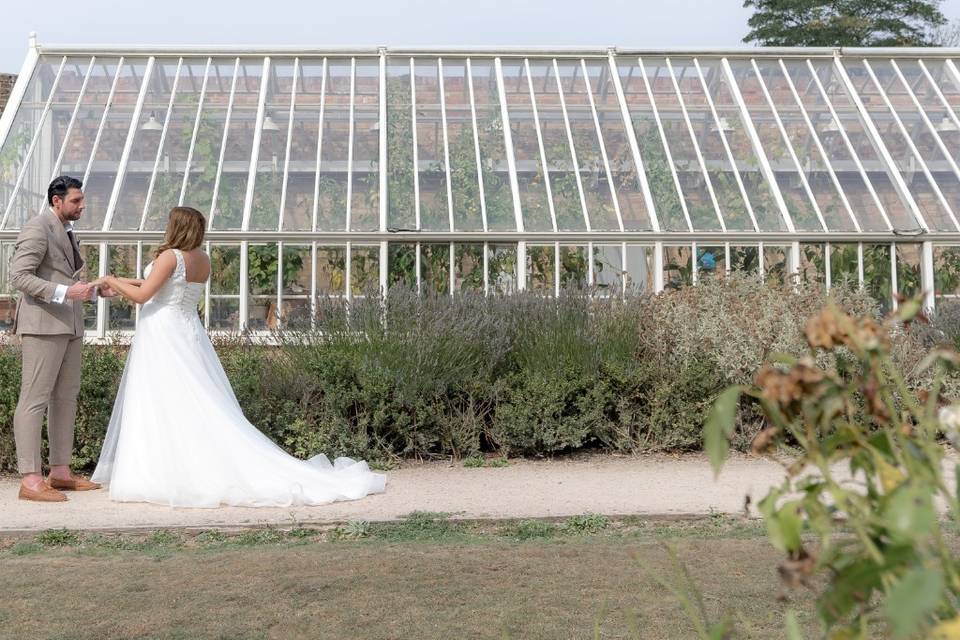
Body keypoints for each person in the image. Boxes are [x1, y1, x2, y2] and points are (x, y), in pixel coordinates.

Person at [90, 206, 385, 507]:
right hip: (185, 331)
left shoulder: (170, 257)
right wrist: (120, 284)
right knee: (187, 398)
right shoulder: (201, 259)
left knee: (162, 399)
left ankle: (161, 471)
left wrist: (110, 279)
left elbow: (144, 297)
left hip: (163, 333)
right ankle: (174, 468)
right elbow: (159, 287)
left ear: (175, 227)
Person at [9, 175, 112, 502]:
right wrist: (65, 291)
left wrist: (93, 291)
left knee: (65, 398)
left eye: (81, 200)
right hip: (41, 326)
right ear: (57, 201)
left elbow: (66, 279)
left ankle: (61, 472)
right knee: (34, 399)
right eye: (76, 201)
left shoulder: (67, 231)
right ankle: (30, 479)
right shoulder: (38, 227)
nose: (82, 206)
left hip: (69, 326)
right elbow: (19, 276)